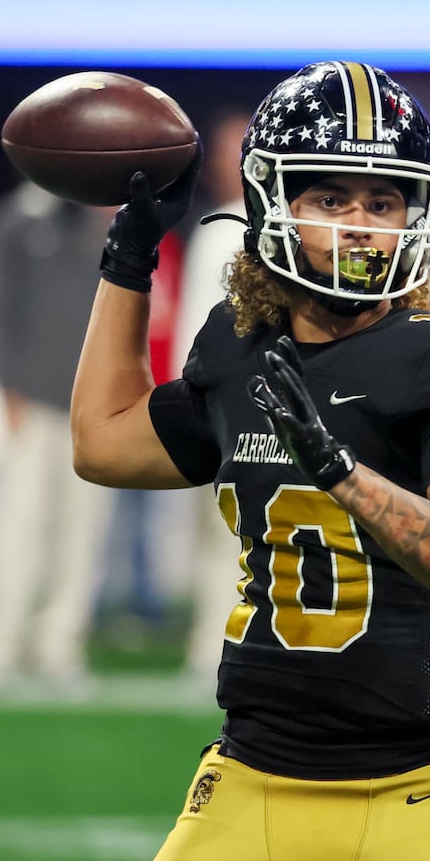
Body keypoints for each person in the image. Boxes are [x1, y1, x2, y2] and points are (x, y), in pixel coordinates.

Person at [72, 61, 430, 861]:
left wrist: (343, 474)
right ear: (270, 203)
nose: (362, 224)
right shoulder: (240, 350)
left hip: (419, 791)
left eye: (384, 201)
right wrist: (129, 263)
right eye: (332, 198)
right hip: (254, 782)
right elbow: (103, 443)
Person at [0, 182, 116, 695]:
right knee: (17, 527)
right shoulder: (15, 219)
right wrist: (6, 383)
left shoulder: (106, 223)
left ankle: (59, 646)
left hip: (92, 409)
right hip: (30, 404)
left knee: (84, 532)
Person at [173, 107, 259, 681]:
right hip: (214, 402)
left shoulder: (290, 227)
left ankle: (253, 642)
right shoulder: (214, 227)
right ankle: (212, 642)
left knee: (259, 531)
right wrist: (187, 400)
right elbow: (192, 324)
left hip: (266, 405)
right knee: (214, 531)